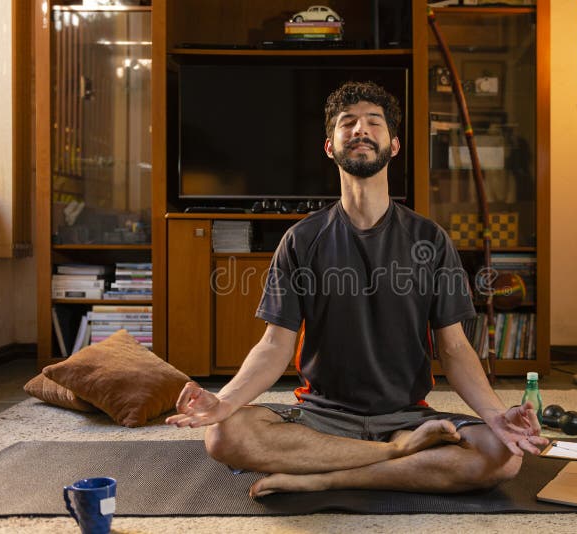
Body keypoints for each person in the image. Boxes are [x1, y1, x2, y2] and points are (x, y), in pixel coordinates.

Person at [166, 81, 548, 498]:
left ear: (394, 145)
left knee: (502, 454)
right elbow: (274, 346)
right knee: (225, 435)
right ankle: (396, 455)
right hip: (321, 417)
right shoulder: (301, 239)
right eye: (347, 123)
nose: (360, 130)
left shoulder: (430, 240)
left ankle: (331, 475)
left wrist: (495, 416)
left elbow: (454, 349)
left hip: (406, 416)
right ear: (330, 146)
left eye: (373, 122)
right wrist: (224, 402)